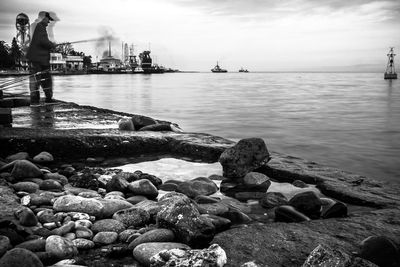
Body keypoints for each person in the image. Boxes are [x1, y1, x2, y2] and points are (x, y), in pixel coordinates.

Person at [26, 11, 56, 105]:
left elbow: (41, 41)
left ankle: (39, 101)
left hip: (39, 60)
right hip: (38, 60)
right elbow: (43, 42)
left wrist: (50, 44)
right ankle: (42, 100)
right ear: (43, 18)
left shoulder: (38, 27)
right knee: (41, 81)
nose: (49, 22)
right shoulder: (40, 27)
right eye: (48, 19)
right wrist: (52, 45)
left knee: (39, 80)